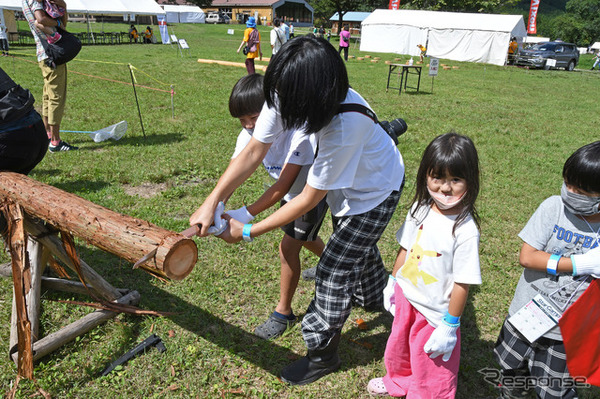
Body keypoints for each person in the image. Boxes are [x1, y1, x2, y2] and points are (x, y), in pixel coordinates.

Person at [190, 35, 405, 385]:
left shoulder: (345, 124)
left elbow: (306, 197)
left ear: (314, 96)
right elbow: (253, 152)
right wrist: (211, 201)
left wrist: (245, 230)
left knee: (334, 270)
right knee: (357, 255)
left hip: (375, 193)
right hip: (345, 188)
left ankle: (322, 355)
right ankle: (385, 298)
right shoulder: (286, 90)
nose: (279, 110)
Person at [367, 132, 481, 398]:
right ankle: (397, 381)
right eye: (437, 177)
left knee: (432, 364)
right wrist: (393, 282)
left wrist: (450, 325)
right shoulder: (419, 208)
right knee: (400, 346)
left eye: (456, 179)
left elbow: (462, 282)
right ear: (425, 176)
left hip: (435, 312)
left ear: (470, 181)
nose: (445, 187)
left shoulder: (465, 230)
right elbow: (406, 248)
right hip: (407, 296)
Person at [494, 141, 600, 399]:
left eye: (581, 190)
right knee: (511, 371)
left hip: (569, 330)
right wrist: (578, 264)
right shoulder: (553, 208)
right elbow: (528, 257)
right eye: (568, 183)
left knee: (555, 388)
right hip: (527, 314)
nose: (570, 192)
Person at [226, 73, 327, 340]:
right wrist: (216, 205)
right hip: (292, 195)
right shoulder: (248, 134)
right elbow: (234, 171)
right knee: (305, 237)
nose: (248, 126)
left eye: (254, 118)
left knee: (288, 247)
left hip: (311, 193)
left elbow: (282, 186)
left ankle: (283, 313)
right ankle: (331, 263)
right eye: (242, 120)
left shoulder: (299, 133)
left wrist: (246, 216)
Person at [22, 0, 77, 152]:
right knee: (56, 97)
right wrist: (58, 21)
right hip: (52, 54)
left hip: (44, 54)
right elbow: (41, 19)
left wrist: (63, 6)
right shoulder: (34, 1)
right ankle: (55, 141)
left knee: (48, 96)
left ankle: (48, 134)